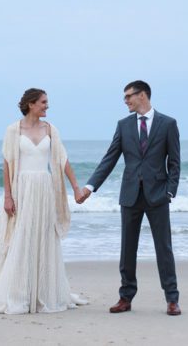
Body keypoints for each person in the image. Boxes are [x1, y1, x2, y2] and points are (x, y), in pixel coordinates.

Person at [78, 80, 182, 316]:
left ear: (142, 95)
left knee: (164, 248)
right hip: (130, 195)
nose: (125, 101)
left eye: (128, 96)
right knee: (127, 249)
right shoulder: (123, 125)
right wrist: (90, 187)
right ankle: (125, 297)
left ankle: (172, 299)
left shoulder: (168, 124)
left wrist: (170, 191)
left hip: (158, 196)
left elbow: (175, 163)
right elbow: (110, 158)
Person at [0, 88, 88, 314]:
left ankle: (42, 292)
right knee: (21, 238)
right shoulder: (13, 130)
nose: (47, 106)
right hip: (22, 188)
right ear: (31, 104)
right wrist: (8, 196)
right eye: (43, 102)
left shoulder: (50, 129)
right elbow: (7, 164)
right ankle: (19, 293)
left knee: (43, 237)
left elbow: (62, 160)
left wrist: (75, 187)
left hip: (44, 189)